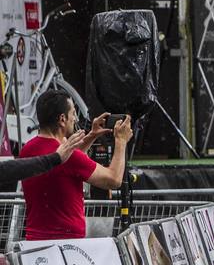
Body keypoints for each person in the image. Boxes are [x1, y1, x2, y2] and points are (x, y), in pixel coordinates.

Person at [21, 89, 132, 241]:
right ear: (62, 119)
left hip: (34, 240)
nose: (75, 118)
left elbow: (62, 169)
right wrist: (121, 141)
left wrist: (92, 135)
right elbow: (114, 179)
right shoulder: (70, 158)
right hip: (67, 245)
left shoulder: (27, 149)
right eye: (73, 113)